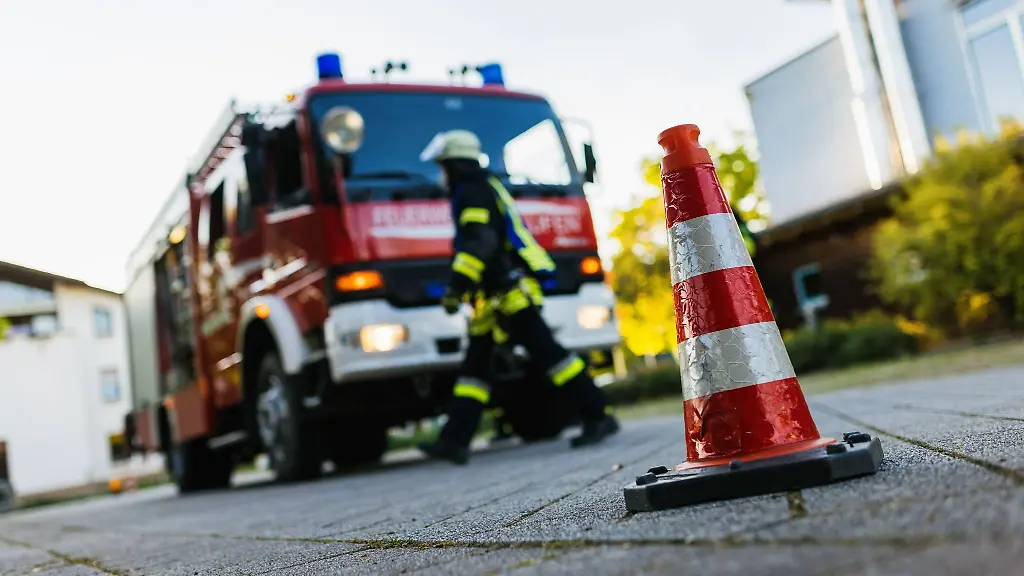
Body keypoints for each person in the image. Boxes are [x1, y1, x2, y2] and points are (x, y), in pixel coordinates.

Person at [417, 130, 619, 465]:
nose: (440, 174)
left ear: (453, 164)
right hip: (495, 296)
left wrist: (456, 287)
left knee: (551, 356)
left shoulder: (472, 191)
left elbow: (478, 243)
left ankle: (598, 416)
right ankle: (454, 440)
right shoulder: (483, 186)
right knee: (476, 368)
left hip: (507, 294)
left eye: (442, 166)